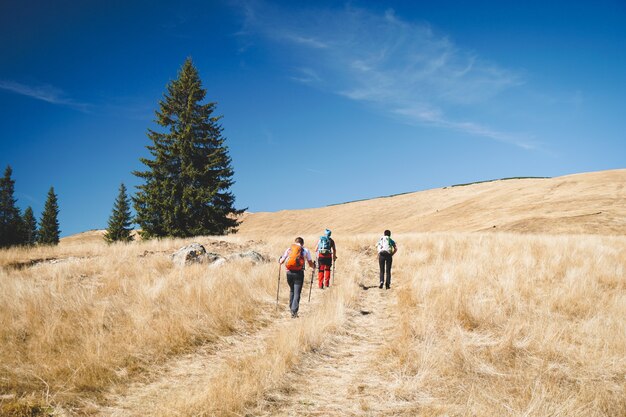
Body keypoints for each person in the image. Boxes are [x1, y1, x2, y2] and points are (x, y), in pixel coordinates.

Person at [279, 237, 315, 318]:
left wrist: (280, 260)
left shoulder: (289, 249)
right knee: (297, 292)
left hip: (289, 273)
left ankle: (291, 308)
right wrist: (314, 266)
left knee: (292, 290)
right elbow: (310, 263)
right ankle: (294, 312)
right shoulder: (305, 250)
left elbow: (281, 261)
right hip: (299, 273)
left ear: (295, 242)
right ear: (302, 243)